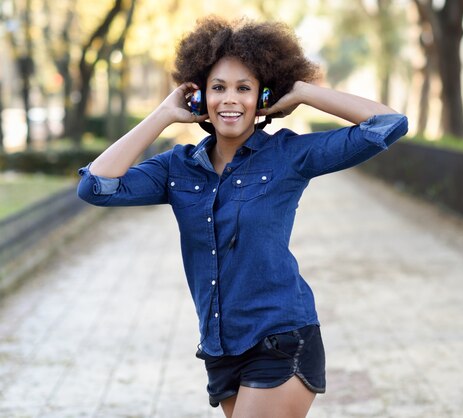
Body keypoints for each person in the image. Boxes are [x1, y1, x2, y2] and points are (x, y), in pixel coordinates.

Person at [77, 15, 408, 418]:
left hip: (280, 339)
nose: (229, 99)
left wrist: (302, 91)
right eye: (218, 88)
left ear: (262, 97)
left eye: (243, 88)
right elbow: (95, 187)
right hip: (220, 346)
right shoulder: (176, 168)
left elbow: (389, 125)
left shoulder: (288, 155)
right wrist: (164, 113)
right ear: (199, 97)